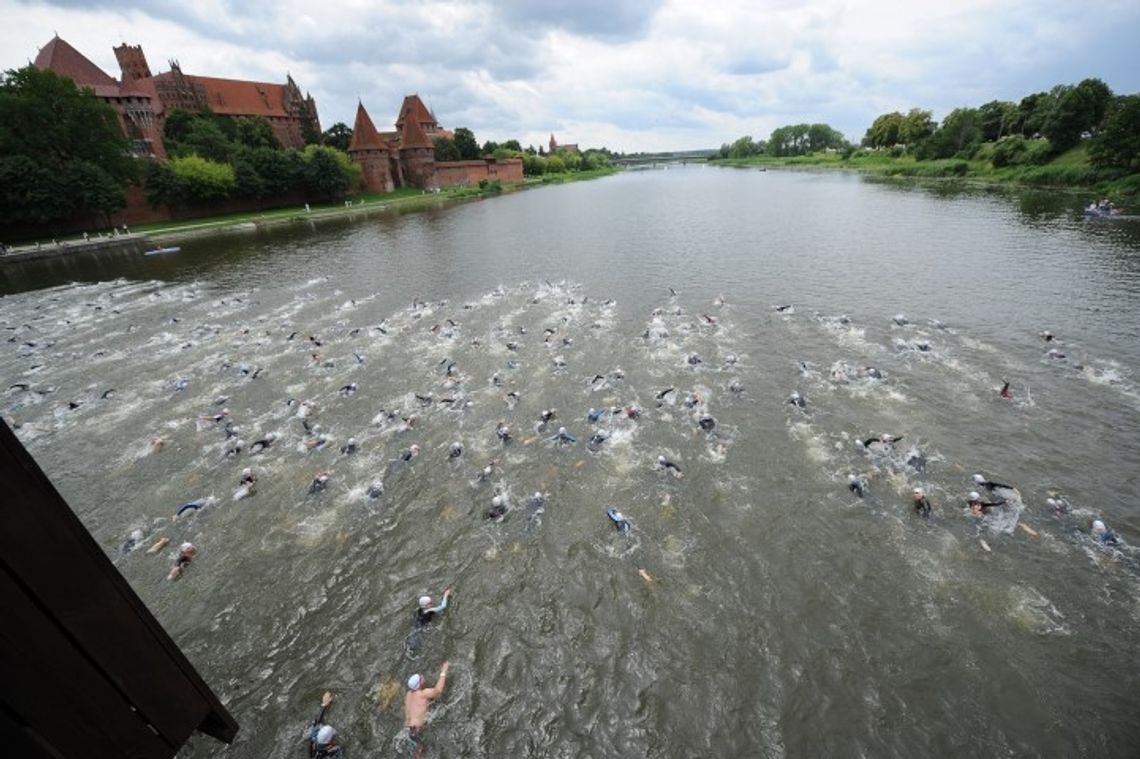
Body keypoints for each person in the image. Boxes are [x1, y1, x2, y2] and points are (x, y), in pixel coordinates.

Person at [404, 663, 450, 756]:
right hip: (417, 731)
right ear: (419, 683)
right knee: (419, 754)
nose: (422, 676)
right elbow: (438, 691)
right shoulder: (423, 694)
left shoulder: (408, 695)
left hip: (408, 731)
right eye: (420, 678)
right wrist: (443, 672)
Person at [306, 691, 343, 758]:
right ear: (329, 741)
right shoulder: (332, 752)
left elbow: (318, 722)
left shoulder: (313, 740)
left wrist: (324, 705)